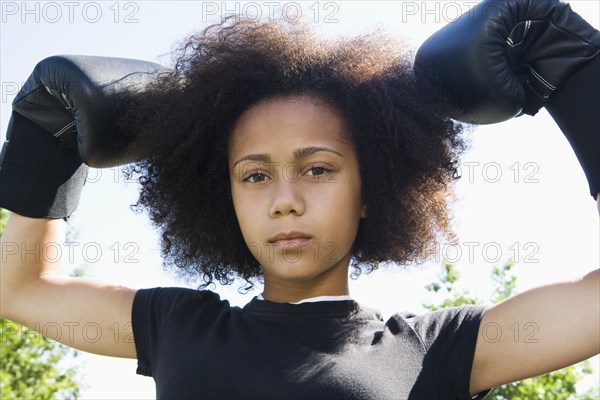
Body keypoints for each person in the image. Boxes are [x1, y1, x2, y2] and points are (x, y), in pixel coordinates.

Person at [1, 1, 598, 399]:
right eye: (254, 176)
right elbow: (20, 289)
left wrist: (581, 83)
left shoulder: (438, 349)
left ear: (372, 192)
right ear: (221, 197)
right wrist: (42, 158)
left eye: (317, 169)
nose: (285, 201)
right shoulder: (176, 327)